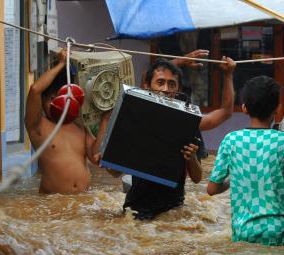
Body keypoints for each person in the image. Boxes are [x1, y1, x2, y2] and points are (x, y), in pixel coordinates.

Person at [96, 56, 236, 220]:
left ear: (178, 89)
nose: (165, 89)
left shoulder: (186, 123)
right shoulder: (136, 121)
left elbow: (197, 178)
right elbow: (115, 172)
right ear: (147, 86)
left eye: (172, 84)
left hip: (173, 212)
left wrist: (228, 76)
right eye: (160, 82)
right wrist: (106, 160)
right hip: (135, 210)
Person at [206, 75, 284, 246]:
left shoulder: (231, 140)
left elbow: (212, 189)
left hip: (244, 230)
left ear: (244, 108)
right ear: (277, 109)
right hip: (280, 230)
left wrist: (234, 177)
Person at [25, 48, 102, 194]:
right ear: (42, 102)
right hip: (52, 206)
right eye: (51, 99)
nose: (56, 104)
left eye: (60, 98)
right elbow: (35, 89)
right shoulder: (37, 125)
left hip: (83, 202)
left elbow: (96, 158)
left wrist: (104, 120)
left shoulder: (79, 127)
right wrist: (60, 64)